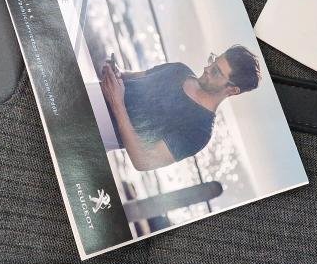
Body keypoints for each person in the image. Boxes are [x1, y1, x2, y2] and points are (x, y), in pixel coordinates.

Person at [99, 45, 262, 171]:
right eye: (213, 60)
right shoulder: (179, 70)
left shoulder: (199, 131)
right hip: (87, 92)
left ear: (232, 90)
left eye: (216, 72)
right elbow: (132, 77)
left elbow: (143, 161)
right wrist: (116, 73)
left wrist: (117, 103)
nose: (207, 69)